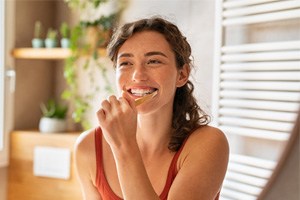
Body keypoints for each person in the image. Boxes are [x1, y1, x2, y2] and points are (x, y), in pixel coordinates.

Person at [74, 16, 229, 200]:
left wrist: (124, 145)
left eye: (153, 61)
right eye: (126, 63)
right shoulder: (88, 147)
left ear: (182, 74)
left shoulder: (208, 144)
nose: (138, 75)